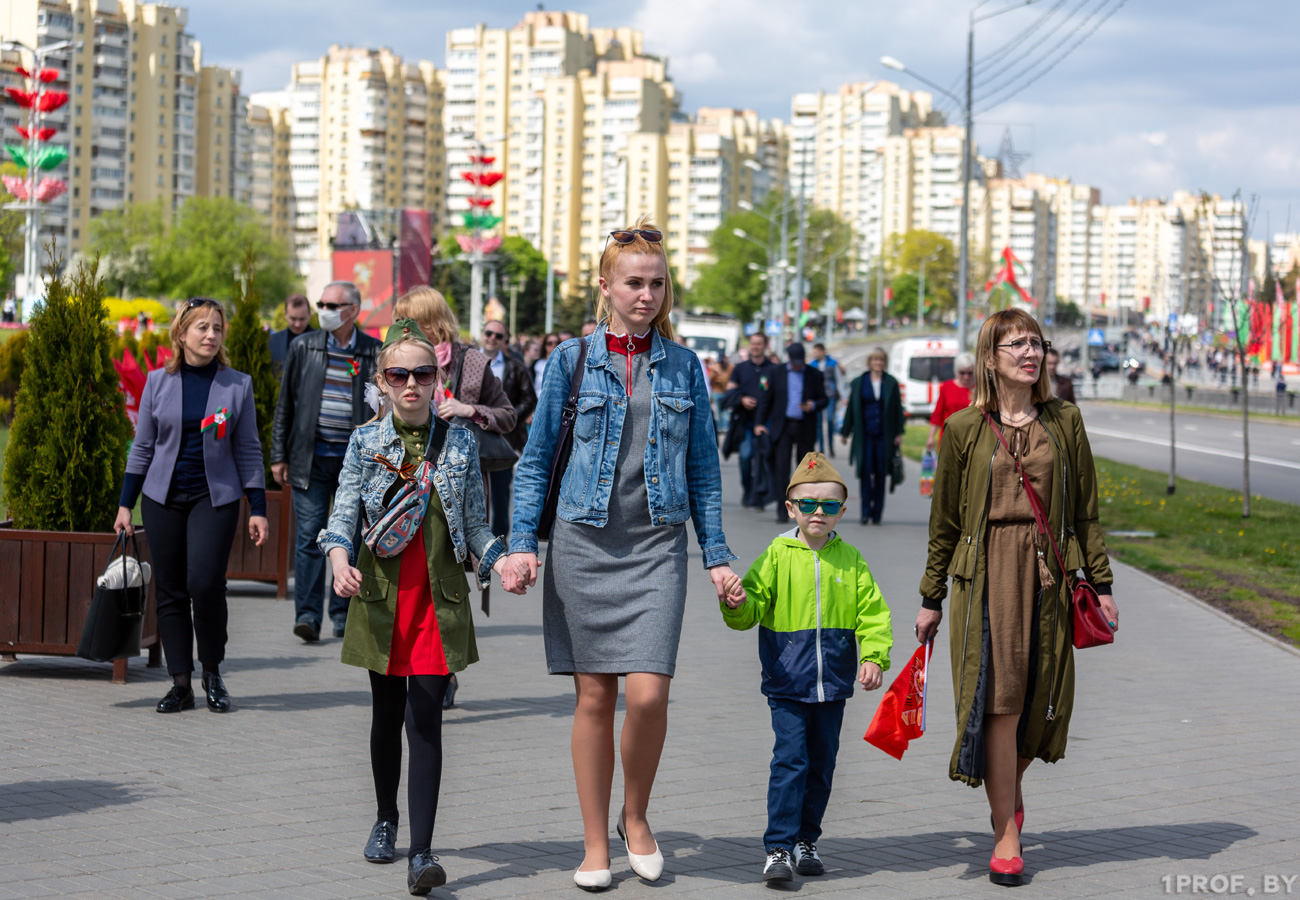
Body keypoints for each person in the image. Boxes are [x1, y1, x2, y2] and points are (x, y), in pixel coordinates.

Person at [502, 218, 746, 891]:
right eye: (634, 283)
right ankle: (593, 843)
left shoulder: (686, 366)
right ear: (606, 286)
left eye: (658, 283)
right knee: (593, 699)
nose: (647, 295)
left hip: (656, 547)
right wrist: (523, 544)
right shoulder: (572, 362)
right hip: (583, 543)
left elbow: (702, 469)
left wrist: (717, 555)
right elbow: (534, 462)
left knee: (648, 696)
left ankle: (635, 818)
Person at [915, 308, 1119, 887]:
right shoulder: (964, 429)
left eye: (1037, 343)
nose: (1031, 353)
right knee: (1000, 701)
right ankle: (1006, 833)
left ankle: (1009, 791)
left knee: (1043, 701)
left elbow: (1085, 512)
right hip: (985, 578)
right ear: (990, 358)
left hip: (1050, 575)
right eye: (1016, 344)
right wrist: (931, 598)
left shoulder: (1065, 421)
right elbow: (945, 525)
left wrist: (1100, 585)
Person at [319, 320, 510, 895]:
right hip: (380, 598)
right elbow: (342, 513)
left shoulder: (460, 442)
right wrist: (337, 559)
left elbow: (477, 524)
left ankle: (422, 853)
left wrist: (500, 561)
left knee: (425, 718)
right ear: (382, 381)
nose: (410, 384)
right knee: (385, 716)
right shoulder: (364, 442)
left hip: (438, 599)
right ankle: (385, 818)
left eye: (422, 374)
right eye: (398, 374)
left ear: (438, 379)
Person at [720, 452, 891, 883]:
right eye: (809, 504)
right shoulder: (777, 554)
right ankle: (778, 847)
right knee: (790, 761)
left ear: (842, 512)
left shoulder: (850, 560)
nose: (819, 512)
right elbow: (752, 606)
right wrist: (735, 603)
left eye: (830, 505)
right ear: (790, 507)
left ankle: (806, 840)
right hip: (787, 682)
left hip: (832, 684)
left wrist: (873, 656)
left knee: (822, 764)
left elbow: (873, 614)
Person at [114, 298, 269, 714]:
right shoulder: (156, 382)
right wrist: (125, 505)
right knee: (170, 589)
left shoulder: (237, 384)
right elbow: (142, 447)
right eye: (202, 327)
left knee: (204, 583)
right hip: (162, 498)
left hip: (213, 498)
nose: (210, 335)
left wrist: (258, 507)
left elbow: (249, 449)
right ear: (181, 334)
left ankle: (212, 671)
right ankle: (180, 683)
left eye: (217, 328)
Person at [394, 287, 517, 710]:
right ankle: (419, 668)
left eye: (412, 322)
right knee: (416, 584)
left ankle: (442, 672)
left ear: (433, 323)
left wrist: (468, 410)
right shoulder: (396, 362)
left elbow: (508, 416)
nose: (405, 330)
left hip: (458, 494)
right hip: (406, 492)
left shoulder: (473, 363)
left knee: (448, 587)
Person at [271, 281, 382, 643]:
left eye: (333, 304)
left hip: (355, 463)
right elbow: (285, 405)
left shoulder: (372, 352)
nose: (325, 309)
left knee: (349, 538)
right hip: (311, 459)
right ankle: (306, 614)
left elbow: (382, 409)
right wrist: (278, 456)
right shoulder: (304, 347)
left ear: (353, 309)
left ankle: (341, 612)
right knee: (309, 537)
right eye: (322, 303)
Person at [479, 318, 537, 537]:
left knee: (500, 494)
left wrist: (508, 418)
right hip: (472, 437)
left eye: (498, 336)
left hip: (504, 440)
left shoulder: (515, 367)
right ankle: (474, 546)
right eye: (489, 333)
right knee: (472, 494)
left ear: (505, 341)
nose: (492, 338)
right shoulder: (467, 361)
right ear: (482, 334)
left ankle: (498, 540)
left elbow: (529, 398)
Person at [760, 343, 827, 524]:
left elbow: (824, 399)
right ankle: (783, 511)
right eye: (794, 361)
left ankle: (806, 509)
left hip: (805, 426)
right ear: (788, 358)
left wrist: (812, 405)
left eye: (800, 362)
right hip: (783, 427)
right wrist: (759, 422)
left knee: (806, 470)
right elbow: (767, 399)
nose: (798, 365)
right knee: (782, 469)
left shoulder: (814, 374)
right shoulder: (776, 373)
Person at [840, 348, 904, 525]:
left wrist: (899, 433)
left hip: (884, 435)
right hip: (865, 435)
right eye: (875, 360)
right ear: (869, 362)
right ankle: (865, 512)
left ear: (885, 362)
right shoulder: (859, 382)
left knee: (881, 473)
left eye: (881, 360)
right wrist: (845, 432)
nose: (878, 363)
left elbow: (898, 409)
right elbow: (852, 409)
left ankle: (877, 514)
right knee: (866, 472)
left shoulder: (891, 382)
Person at [721, 333, 777, 510]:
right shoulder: (740, 368)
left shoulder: (774, 369)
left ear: (766, 346)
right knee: (745, 457)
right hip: (745, 423)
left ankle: (759, 496)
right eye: (753, 344)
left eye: (759, 344)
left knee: (764, 459)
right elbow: (728, 394)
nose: (755, 347)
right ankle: (748, 489)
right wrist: (742, 399)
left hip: (766, 422)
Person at [924, 352, 976, 453]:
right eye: (962, 373)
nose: (966, 377)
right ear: (956, 371)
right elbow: (937, 415)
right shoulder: (947, 387)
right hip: (950, 438)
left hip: (972, 439)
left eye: (970, 373)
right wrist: (931, 437)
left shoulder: (978, 389)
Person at [269, 294, 314, 380]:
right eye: (293, 319)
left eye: (302, 319)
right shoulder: (272, 342)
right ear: (285, 314)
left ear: (309, 314)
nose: (297, 324)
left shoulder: (323, 341)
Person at [808, 343, 841, 457]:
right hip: (817, 397)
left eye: (816, 352)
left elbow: (838, 379)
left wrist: (842, 394)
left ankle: (830, 446)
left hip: (830, 395)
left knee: (830, 421)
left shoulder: (832, 363)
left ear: (822, 351)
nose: (814, 354)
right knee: (818, 424)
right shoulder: (812, 364)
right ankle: (821, 448)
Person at [534, 332, 561, 396]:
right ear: (545, 345)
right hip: (538, 400)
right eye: (550, 343)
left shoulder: (565, 364)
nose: (553, 345)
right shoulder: (537, 364)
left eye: (556, 343)